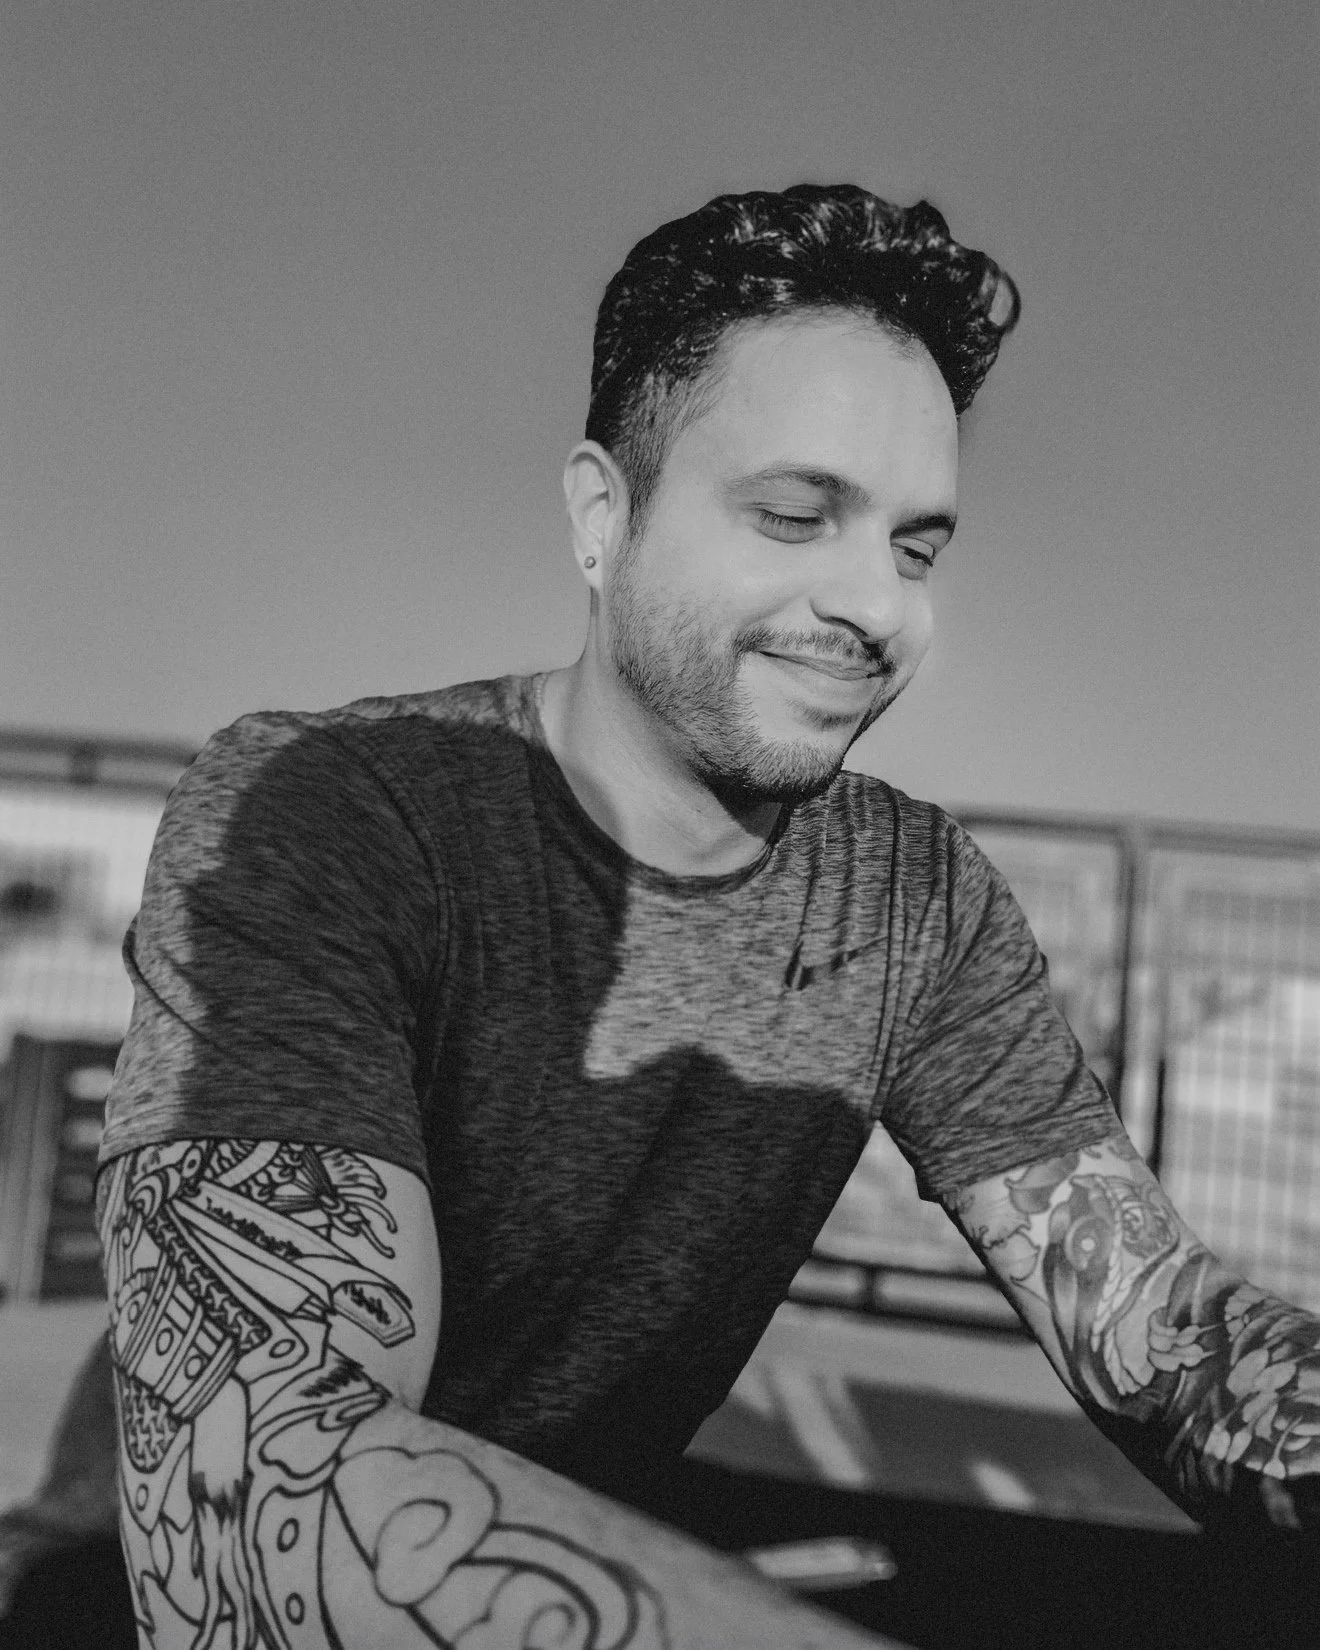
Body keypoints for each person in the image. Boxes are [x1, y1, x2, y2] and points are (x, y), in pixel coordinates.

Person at [89, 184, 1317, 1650]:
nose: (879, 607)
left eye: (917, 549)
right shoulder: (336, 812)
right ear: (602, 515)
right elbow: (255, 1494)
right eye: (796, 516)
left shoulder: (918, 905)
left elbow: (1162, 1332)